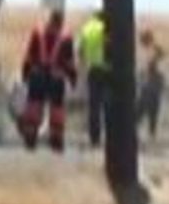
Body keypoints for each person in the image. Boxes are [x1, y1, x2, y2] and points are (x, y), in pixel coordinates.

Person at [19, 9, 77, 152]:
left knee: (34, 104)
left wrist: (25, 74)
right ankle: (56, 139)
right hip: (56, 77)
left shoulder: (38, 33)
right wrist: (72, 77)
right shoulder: (66, 37)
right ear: (61, 22)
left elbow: (29, 56)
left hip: (37, 74)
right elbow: (69, 62)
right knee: (56, 108)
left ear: (50, 20)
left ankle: (30, 137)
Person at [77, 10, 109, 147]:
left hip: (92, 70)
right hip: (107, 70)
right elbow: (109, 46)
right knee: (108, 104)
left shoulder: (86, 29)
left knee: (93, 106)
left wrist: (85, 64)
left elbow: (80, 50)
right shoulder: (105, 28)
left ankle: (94, 138)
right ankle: (112, 135)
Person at [136, 29, 166, 141]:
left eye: (143, 40)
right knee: (148, 108)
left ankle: (150, 132)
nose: (141, 42)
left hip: (151, 83)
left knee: (144, 108)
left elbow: (153, 63)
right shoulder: (151, 49)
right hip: (152, 83)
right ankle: (151, 132)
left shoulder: (153, 49)